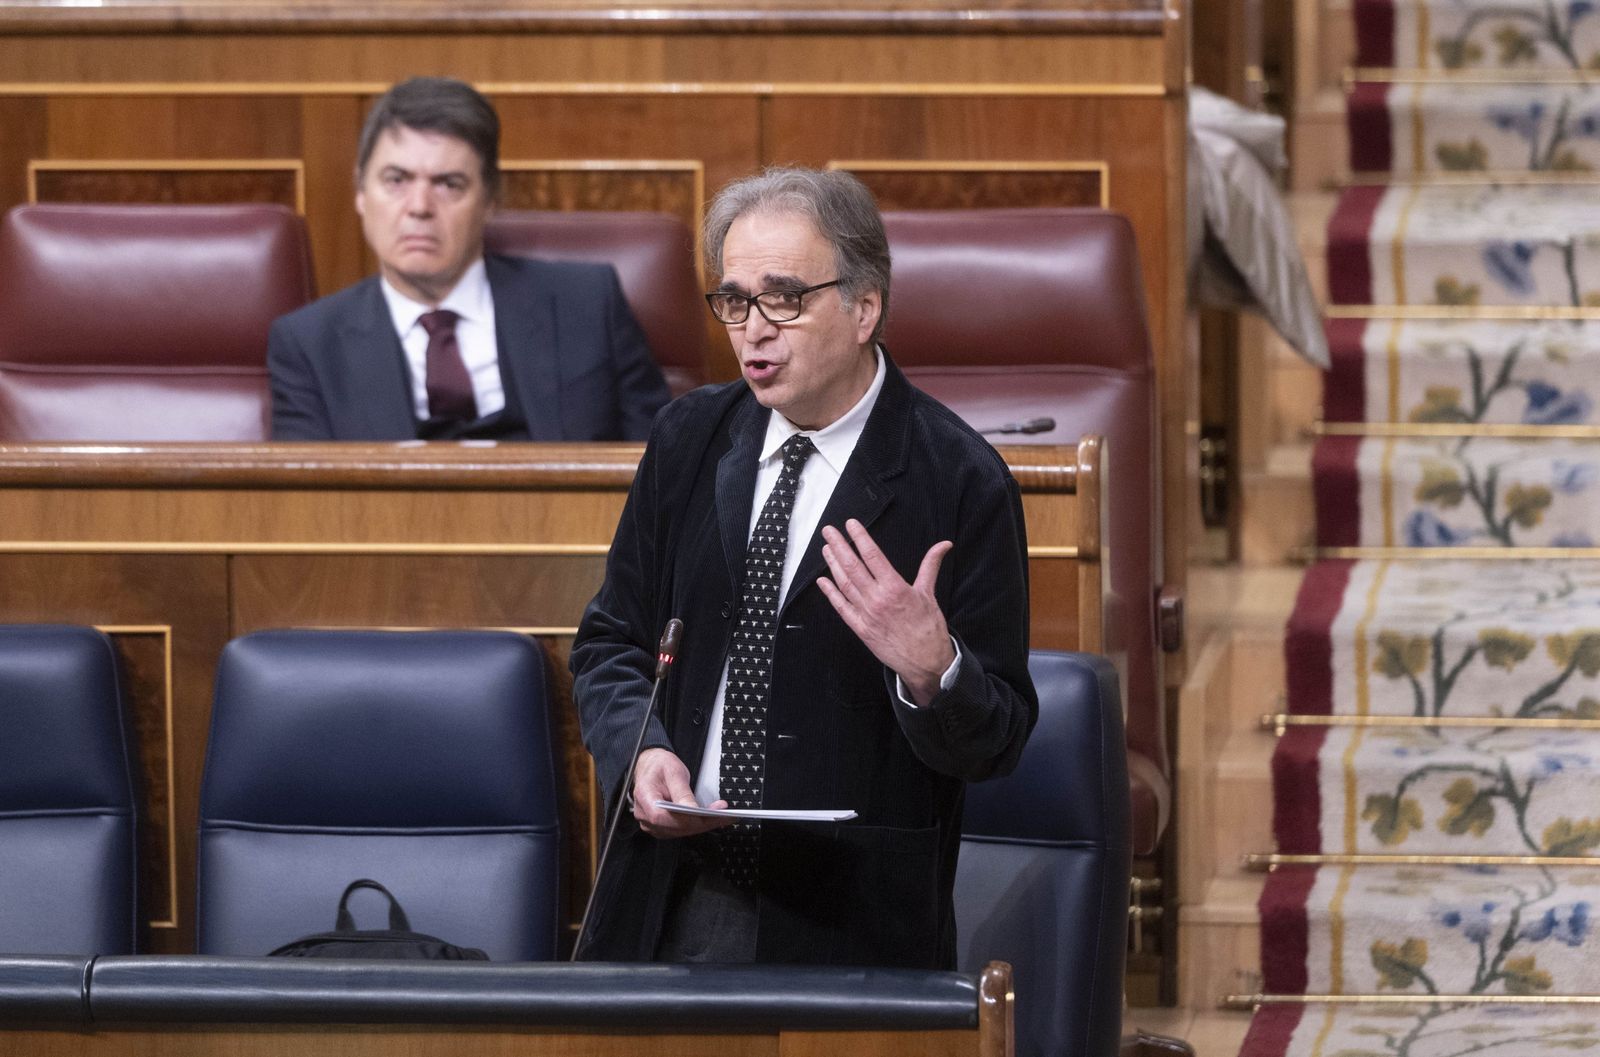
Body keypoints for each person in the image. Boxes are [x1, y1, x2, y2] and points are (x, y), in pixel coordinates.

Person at [570, 166, 1036, 968]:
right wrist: (642, 751)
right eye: (734, 300)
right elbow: (610, 644)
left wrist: (936, 672)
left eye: (784, 297)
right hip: (670, 889)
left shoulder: (958, 479)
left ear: (864, 307)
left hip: (849, 918)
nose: (754, 328)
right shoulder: (689, 439)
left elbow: (996, 740)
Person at [268, 77, 669, 441]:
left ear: (490, 199)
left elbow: (666, 470)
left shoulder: (588, 304)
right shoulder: (309, 345)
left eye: (448, 184)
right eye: (396, 180)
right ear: (360, 191)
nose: (420, 207)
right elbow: (303, 506)